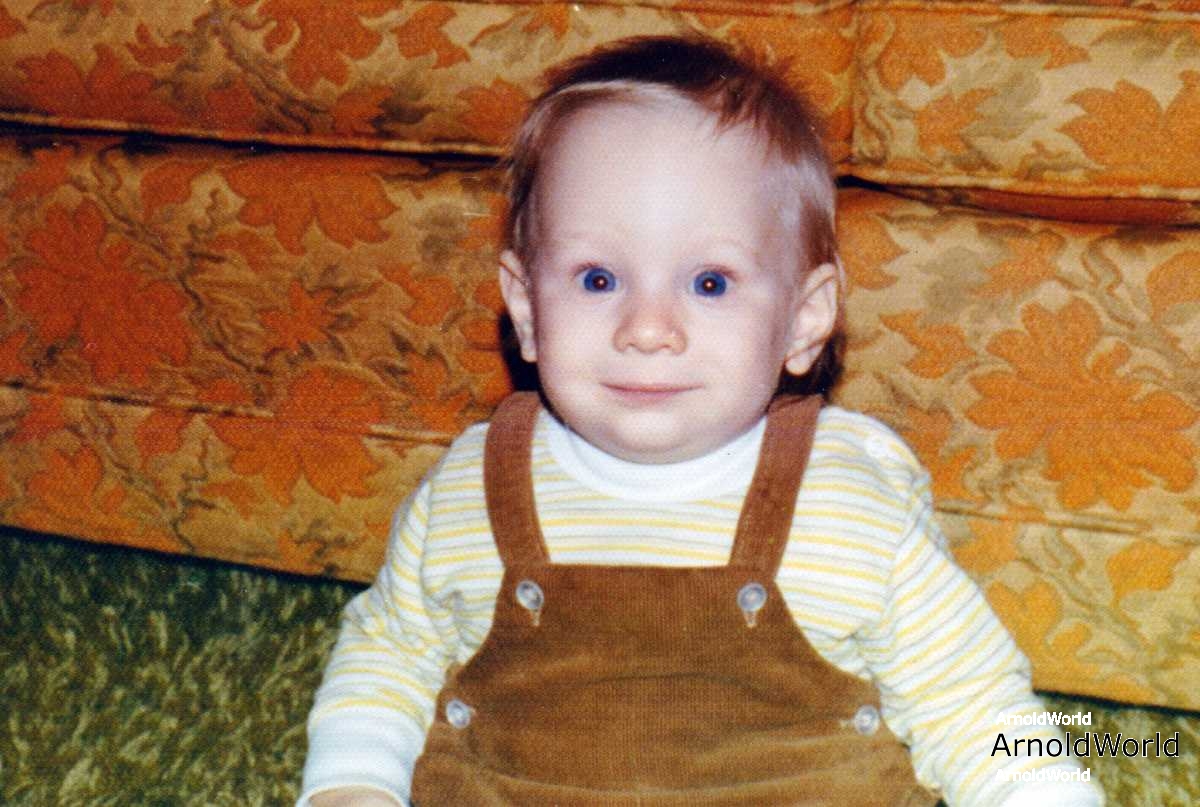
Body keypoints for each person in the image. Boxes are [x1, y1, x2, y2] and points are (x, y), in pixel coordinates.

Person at [298, 35, 1103, 807]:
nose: (648, 328)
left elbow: (973, 700)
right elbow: (390, 651)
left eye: (710, 283)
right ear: (527, 308)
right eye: (598, 278)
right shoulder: (468, 493)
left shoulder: (849, 505)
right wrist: (352, 780)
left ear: (804, 319)